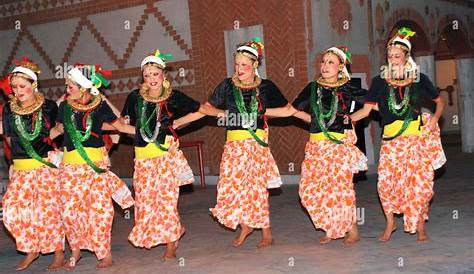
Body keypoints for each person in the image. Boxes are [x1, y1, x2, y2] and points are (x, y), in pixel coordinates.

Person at [351, 27, 446, 242]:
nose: (393, 59)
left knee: (420, 185)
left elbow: (439, 102)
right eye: (390, 56)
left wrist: (434, 118)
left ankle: (420, 225)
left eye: (397, 55)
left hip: (415, 141)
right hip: (391, 143)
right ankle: (391, 223)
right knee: (386, 184)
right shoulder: (379, 81)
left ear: (406, 56)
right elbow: (366, 111)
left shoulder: (418, 79)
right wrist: (347, 120)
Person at [52, 65, 135, 269]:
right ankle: (76, 251)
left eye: (70, 85)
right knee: (71, 212)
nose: (67, 88)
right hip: (70, 168)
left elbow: (119, 126)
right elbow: (58, 130)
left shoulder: (99, 106)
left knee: (101, 210)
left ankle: (104, 253)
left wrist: (147, 135)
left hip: (94, 167)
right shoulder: (64, 107)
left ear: (83, 87)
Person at [122, 50, 198, 260]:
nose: (152, 79)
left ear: (163, 75)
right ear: (143, 77)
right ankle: (173, 230)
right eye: (147, 75)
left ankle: (171, 243)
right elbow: (123, 124)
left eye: (155, 74)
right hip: (143, 158)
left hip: (165, 157)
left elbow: (199, 110)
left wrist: (180, 123)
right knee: (146, 202)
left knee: (166, 200)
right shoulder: (135, 97)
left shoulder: (173, 96)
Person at [292, 46, 367, 245]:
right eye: (323, 61)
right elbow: (294, 109)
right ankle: (331, 226)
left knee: (340, 189)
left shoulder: (348, 87)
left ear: (341, 67)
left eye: (330, 62)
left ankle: (352, 229)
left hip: (338, 145)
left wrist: (351, 119)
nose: (325, 66)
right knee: (309, 190)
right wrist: (315, 121)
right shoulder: (313, 87)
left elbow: (372, 104)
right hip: (316, 146)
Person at [1, 58, 65, 271]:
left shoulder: (48, 106)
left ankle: (58, 252)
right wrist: (13, 162)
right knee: (12, 212)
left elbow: (58, 130)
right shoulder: (9, 109)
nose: (18, 91)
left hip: (43, 166)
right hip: (21, 169)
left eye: (22, 86)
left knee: (48, 211)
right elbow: (10, 139)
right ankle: (32, 247)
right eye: (14, 87)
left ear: (33, 85)